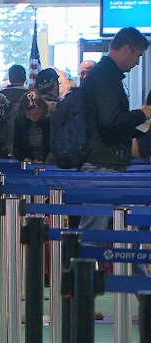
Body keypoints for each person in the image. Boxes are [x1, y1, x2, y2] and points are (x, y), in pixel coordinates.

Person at [80, 27, 151, 279]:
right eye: (137, 56)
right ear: (127, 49)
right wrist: (141, 114)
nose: (137, 62)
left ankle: (144, 294)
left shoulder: (104, 76)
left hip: (107, 165)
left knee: (123, 235)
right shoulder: (105, 78)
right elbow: (110, 122)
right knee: (93, 238)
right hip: (102, 167)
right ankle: (78, 301)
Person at [13, 91, 51, 162]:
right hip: (29, 162)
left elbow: (55, 147)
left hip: (50, 162)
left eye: (36, 114)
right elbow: (17, 145)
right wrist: (24, 158)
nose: (33, 118)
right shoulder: (20, 119)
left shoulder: (52, 118)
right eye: (29, 115)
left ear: (42, 109)